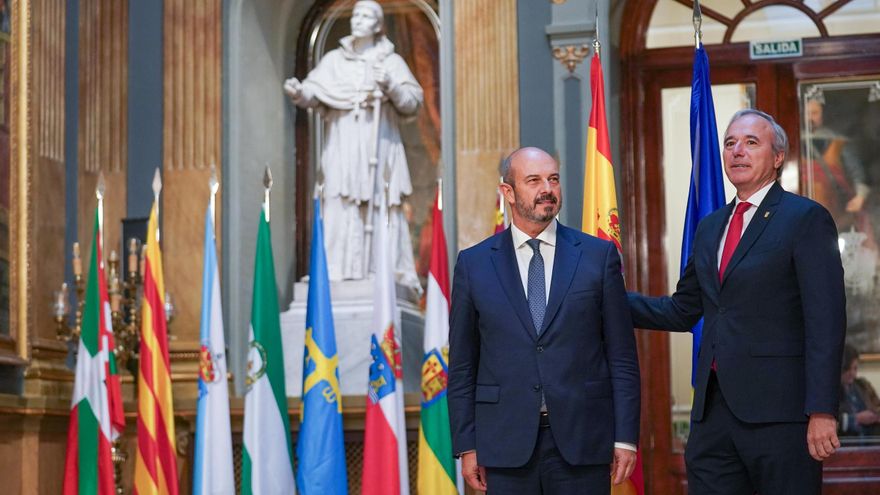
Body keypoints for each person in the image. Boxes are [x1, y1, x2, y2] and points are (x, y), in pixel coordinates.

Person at [628, 109, 846, 494]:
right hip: (713, 416)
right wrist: (610, 300)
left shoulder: (805, 219)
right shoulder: (711, 226)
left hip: (782, 416)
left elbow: (825, 322)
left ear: (778, 157)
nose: (737, 152)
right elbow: (683, 309)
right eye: (730, 143)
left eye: (751, 142)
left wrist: (823, 409)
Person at [448, 147, 640, 494]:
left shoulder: (597, 257)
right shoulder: (474, 265)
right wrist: (467, 444)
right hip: (504, 446)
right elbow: (462, 366)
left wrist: (625, 438)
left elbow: (622, 357)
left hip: (584, 442)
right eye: (533, 180)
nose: (547, 189)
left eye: (553, 179)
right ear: (507, 192)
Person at [284, 0, 423, 288]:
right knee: (338, 198)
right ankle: (334, 266)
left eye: (366, 15)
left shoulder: (390, 62)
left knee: (382, 200)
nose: (358, 20)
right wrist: (300, 93)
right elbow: (315, 90)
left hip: (379, 143)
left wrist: (391, 86)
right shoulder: (334, 60)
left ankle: (384, 267)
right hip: (344, 143)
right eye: (356, 14)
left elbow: (412, 103)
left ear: (377, 25)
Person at [839, 343, 880, 437]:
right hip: (845, 447)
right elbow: (830, 422)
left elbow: (877, 406)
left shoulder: (863, 385)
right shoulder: (829, 393)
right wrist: (857, 419)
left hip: (870, 444)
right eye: (848, 369)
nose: (853, 373)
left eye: (855, 368)